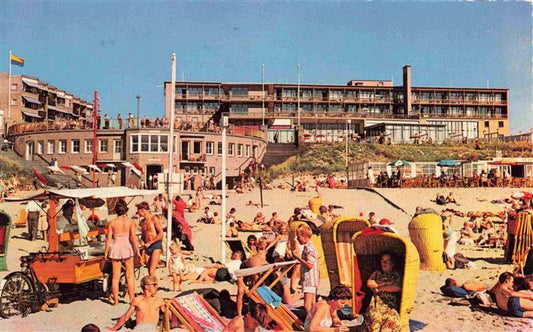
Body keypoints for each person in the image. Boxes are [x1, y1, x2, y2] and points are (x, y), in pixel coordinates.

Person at [104, 200, 140, 305]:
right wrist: (137, 251)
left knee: (115, 277)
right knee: (130, 275)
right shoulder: (130, 222)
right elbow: (133, 237)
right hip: (127, 247)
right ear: (126, 210)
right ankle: (132, 299)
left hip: (116, 247)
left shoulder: (112, 222)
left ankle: (115, 301)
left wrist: (106, 252)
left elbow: (108, 239)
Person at [293, 224, 319, 315]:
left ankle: (310, 322)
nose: (297, 239)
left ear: (304, 237)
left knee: (307, 305)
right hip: (312, 279)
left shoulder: (309, 248)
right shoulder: (309, 247)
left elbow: (310, 265)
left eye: (298, 236)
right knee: (312, 303)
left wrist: (298, 258)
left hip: (309, 280)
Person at [137, 201, 164, 277]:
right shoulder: (142, 222)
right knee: (149, 270)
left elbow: (161, 233)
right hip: (147, 246)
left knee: (152, 270)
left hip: (156, 245)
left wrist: (150, 242)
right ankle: (154, 285)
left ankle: (154, 287)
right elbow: (143, 235)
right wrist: (140, 242)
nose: (138, 213)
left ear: (142, 210)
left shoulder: (153, 218)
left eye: (138, 211)